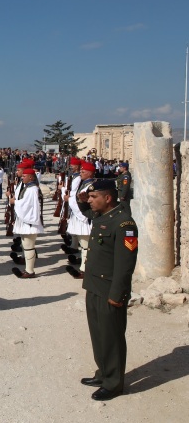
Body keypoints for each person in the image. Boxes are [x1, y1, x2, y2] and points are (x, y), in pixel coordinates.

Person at [80, 179, 138, 401]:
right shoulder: (103, 216)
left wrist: (117, 294)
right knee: (98, 335)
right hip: (94, 285)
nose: (90, 200)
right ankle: (103, 373)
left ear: (108, 198)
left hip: (109, 289)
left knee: (112, 337)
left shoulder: (124, 224)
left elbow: (125, 265)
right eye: (89, 197)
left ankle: (114, 383)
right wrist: (81, 199)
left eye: (94, 197)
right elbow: (86, 211)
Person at [9, 168, 44, 278]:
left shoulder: (32, 189)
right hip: (27, 220)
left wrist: (15, 202)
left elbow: (26, 205)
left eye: (24, 176)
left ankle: (30, 271)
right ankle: (28, 269)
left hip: (30, 221)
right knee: (26, 245)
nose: (22, 178)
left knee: (29, 246)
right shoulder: (29, 188)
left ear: (31, 177)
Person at [65, 160, 96, 279]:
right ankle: (84, 265)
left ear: (89, 173)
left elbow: (81, 200)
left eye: (83, 172)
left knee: (86, 245)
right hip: (81, 217)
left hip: (85, 218)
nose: (81, 173)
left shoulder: (89, 185)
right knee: (84, 245)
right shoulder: (85, 183)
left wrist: (69, 199)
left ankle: (84, 269)